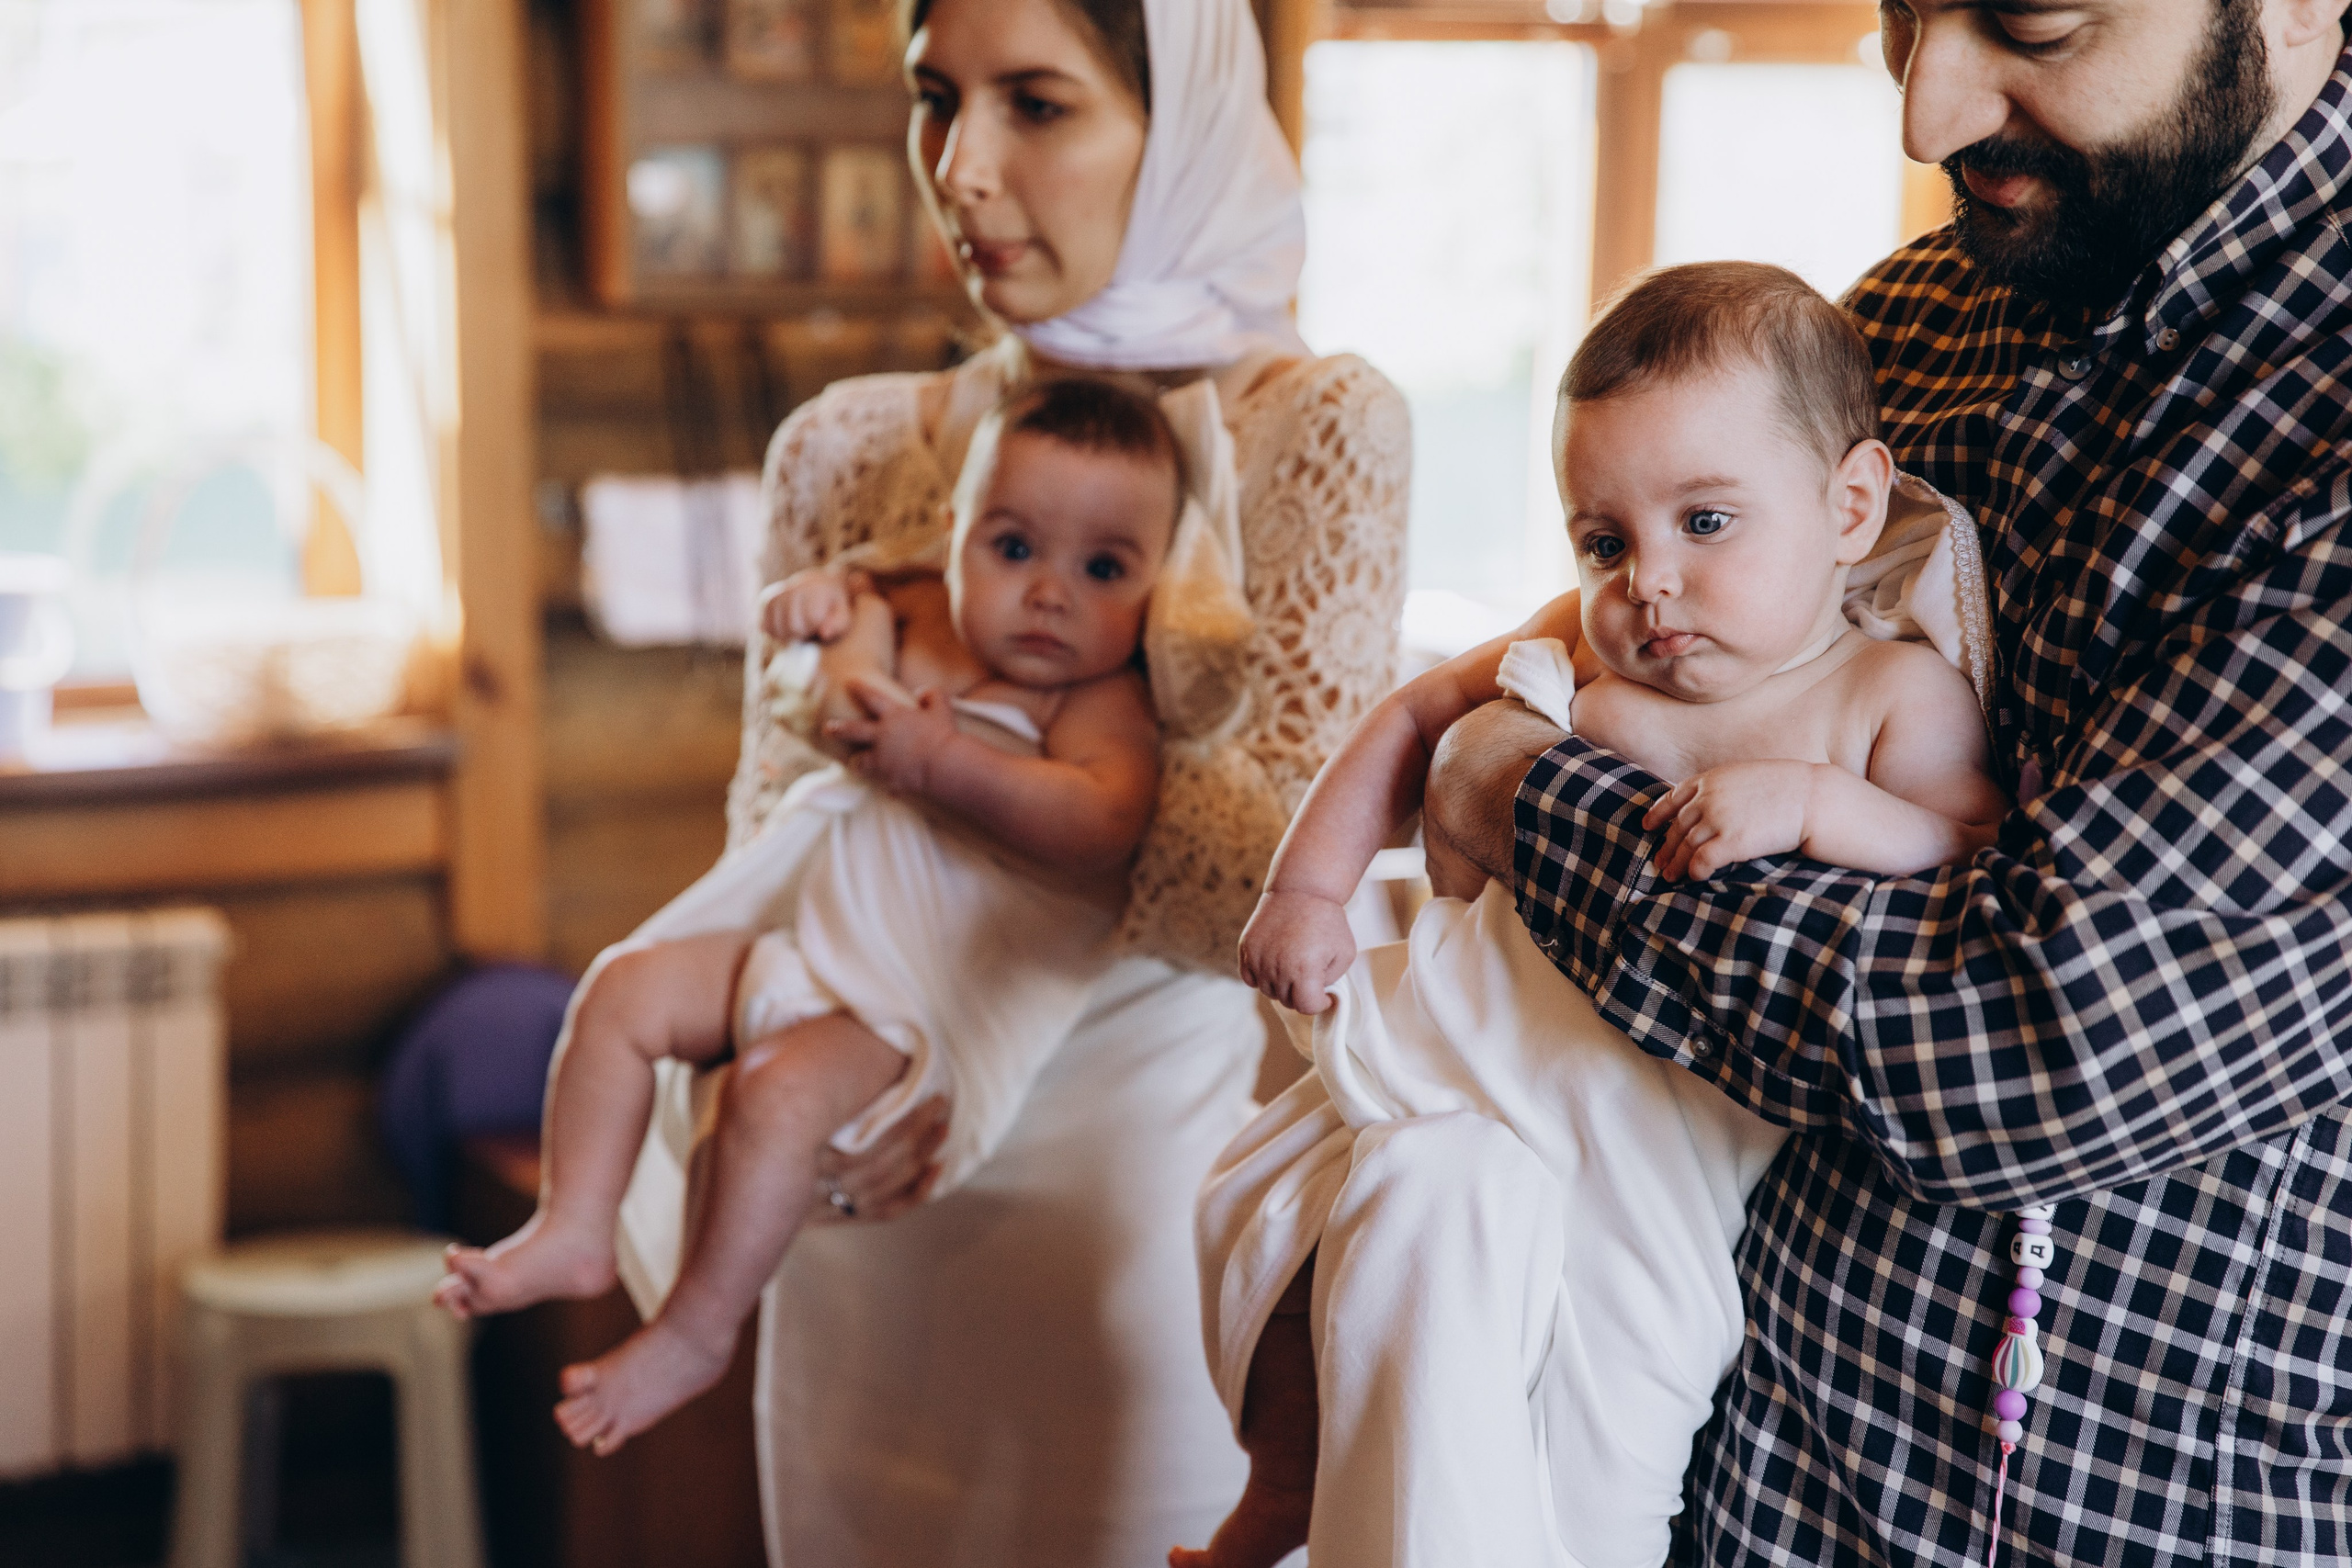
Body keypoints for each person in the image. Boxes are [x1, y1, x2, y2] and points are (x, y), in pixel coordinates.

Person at [1417, 0, 2352, 1560]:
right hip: (1731, 1473)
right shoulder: (1911, 318)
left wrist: (1528, 804)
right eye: (1901, 12)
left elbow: (2032, 1040)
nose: (1926, 116)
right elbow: (1638, 649)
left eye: (2034, 20)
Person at [604, 0, 1409, 1562]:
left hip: (1124, 1212)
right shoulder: (846, 446)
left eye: (1036, 103)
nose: (959, 165)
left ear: (1179, 120)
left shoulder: (1315, 427)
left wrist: (960, 759)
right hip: (849, 1178)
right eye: (936, 98)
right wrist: (758, 1088)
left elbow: (1263, 894)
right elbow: (778, 833)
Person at [1182, 263, 2007, 1568]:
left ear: (1850, 506)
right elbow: (1417, 714)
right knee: (1278, 1223)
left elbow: (1965, 849)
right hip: (1466, 1042)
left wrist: (1816, 804)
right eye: (1605, 539)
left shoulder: (1887, 697)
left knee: (1615, 1417)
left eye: (1706, 522)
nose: (1649, 582)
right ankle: (1288, 1478)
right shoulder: (1581, 637)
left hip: (1654, 1144)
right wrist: (1306, 885)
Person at [435, 378, 1185, 1455]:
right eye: (1014, 548)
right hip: (806, 943)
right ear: (954, 533)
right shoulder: (915, 607)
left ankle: (696, 1330)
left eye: (1103, 569)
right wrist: (818, 603)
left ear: (1159, 584)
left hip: (908, 1015)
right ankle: (573, 1224)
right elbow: (840, 644)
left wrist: (947, 763)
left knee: (774, 1093)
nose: (1049, 595)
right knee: (620, 989)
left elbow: (1103, 825)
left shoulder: (1096, 702)